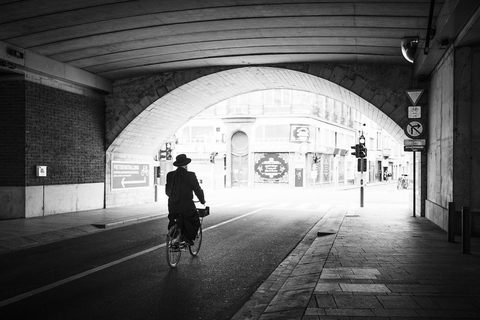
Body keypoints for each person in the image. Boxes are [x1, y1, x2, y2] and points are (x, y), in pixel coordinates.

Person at [165, 154, 206, 245]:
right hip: (186, 205)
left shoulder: (170, 175)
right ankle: (188, 238)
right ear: (186, 165)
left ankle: (174, 238)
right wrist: (202, 200)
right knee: (194, 220)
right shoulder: (190, 175)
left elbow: (167, 191)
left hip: (172, 205)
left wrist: (174, 198)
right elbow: (197, 190)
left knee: (174, 218)